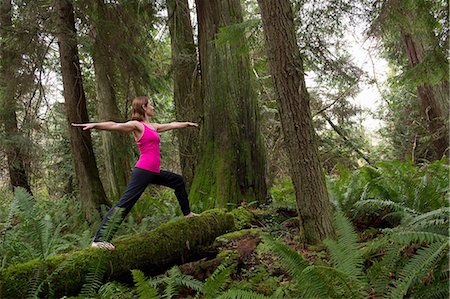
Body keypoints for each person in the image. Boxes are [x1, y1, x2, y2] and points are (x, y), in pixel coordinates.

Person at [72, 96, 198, 250]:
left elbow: (171, 124)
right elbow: (115, 125)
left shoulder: (153, 126)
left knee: (178, 181)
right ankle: (99, 240)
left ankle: (188, 214)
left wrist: (186, 124)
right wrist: (95, 125)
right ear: (143, 107)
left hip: (154, 171)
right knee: (125, 203)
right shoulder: (137, 125)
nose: (152, 107)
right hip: (143, 171)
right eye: (150, 104)